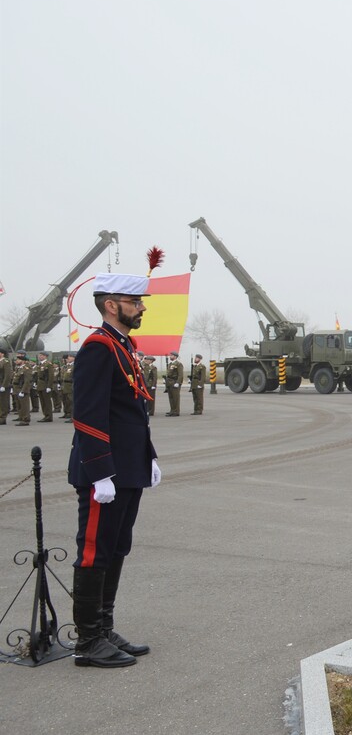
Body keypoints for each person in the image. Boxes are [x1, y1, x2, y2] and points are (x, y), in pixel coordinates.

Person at [69, 273, 161, 668]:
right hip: (104, 472)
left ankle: (104, 628)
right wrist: (100, 471)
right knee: (95, 551)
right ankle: (88, 640)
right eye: (134, 301)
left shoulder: (123, 346)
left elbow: (133, 411)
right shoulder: (98, 347)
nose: (142, 307)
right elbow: (88, 415)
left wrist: (149, 456)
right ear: (111, 304)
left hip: (127, 468)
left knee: (117, 547)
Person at [12, 353, 32, 426]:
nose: (16, 361)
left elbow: (27, 381)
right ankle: (21, 418)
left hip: (22, 389)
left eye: (18, 359)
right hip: (17, 389)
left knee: (24, 405)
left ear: (23, 361)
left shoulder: (26, 368)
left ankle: (25, 419)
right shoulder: (18, 368)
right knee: (19, 405)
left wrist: (23, 390)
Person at [36, 351, 55, 422]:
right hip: (40, 385)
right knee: (42, 401)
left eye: (41, 355)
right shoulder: (40, 364)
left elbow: (51, 376)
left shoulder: (48, 364)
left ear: (45, 356)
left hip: (45, 385)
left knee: (47, 401)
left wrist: (49, 386)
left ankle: (49, 416)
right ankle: (45, 415)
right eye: (39, 355)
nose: (39, 356)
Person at [164, 351, 184, 416]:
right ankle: (172, 410)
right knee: (171, 397)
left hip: (174, 382)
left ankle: (176, 411)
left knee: (175, 398)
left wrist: (178, 382)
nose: (170, 356)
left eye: (171, 355)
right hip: (169, 382)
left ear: (175, 356)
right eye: (170, 355)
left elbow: (180, 374)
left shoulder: (178, 364)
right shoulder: (170, 364)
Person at [60, 353, 75, 422]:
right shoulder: (67, 366)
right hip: (65, 385)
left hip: (70, 385)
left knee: (72, 402)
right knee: (67, 402)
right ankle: (69, 414)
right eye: (68, 357)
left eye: (70, 357)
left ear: (74, 358)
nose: (68, 358)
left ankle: (73, 417)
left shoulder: (75, 366)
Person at [0, 347, 11, 425]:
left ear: (2, 354)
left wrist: (4, 385)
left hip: (3, 384)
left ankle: (3, 418)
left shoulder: (6, 362)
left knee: (3, 402)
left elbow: (7, 375)